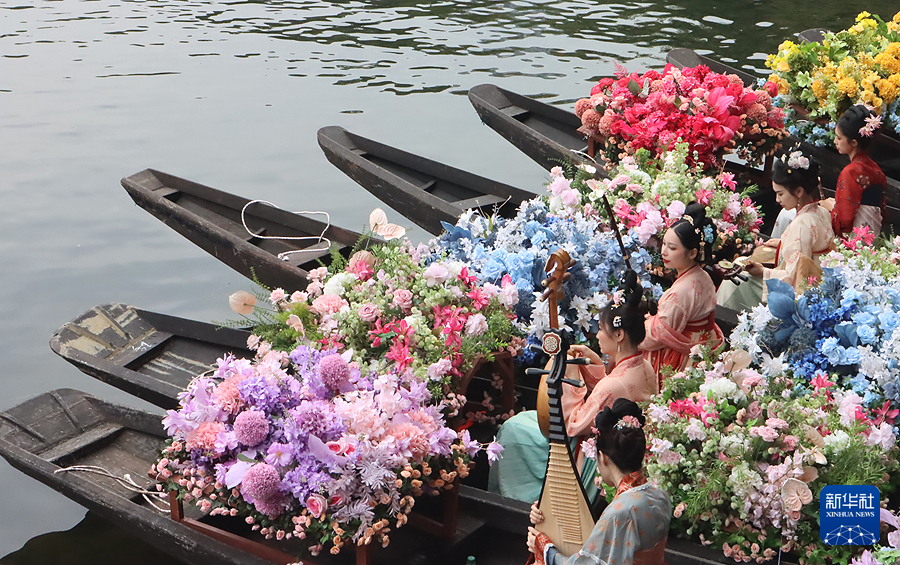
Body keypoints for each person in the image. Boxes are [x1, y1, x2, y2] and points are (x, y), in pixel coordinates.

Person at [487, 272, 658, 505]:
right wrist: (594, 363)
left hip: (598, 453)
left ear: (619, 334)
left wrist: (570, 372)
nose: (598, 334)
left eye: (601, 329)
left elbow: (573, 424)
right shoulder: (644, 365)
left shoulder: (613, 384)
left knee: (513, 428)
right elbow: (610, 394)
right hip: (627, 445)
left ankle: (513, 501)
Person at [527, 399, 671, 565]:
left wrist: (545, 548)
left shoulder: (621, 511)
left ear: (603, 458)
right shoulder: (660, 497)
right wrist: (547, 512)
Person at [720, 150, 834, 309]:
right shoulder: (821, 212)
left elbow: (794, 279)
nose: (777, 199)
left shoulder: (801, 224)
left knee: (735, 279)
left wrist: (763, 272)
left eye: (780, 194)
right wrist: (783, 243)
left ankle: (724, 314)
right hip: (822, 281)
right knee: (740, 262)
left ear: (798, 191)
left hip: (803, 290)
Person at [640, 203, 724, 386]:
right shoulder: (702, 276)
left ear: (692, 253)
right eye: (664, 244)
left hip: (682, 356)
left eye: (672, 248)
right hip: (703, 342)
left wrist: (635, 327)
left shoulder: (680, 293)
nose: (663, 252)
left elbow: (658, 334)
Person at [829, 104, 886, 236]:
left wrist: (829, 207)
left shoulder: (850, 172)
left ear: (854, 142)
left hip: (857, 229)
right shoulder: (875, 168)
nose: (835, 141)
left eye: (839, 138)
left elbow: (845, 218)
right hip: (873, 226)